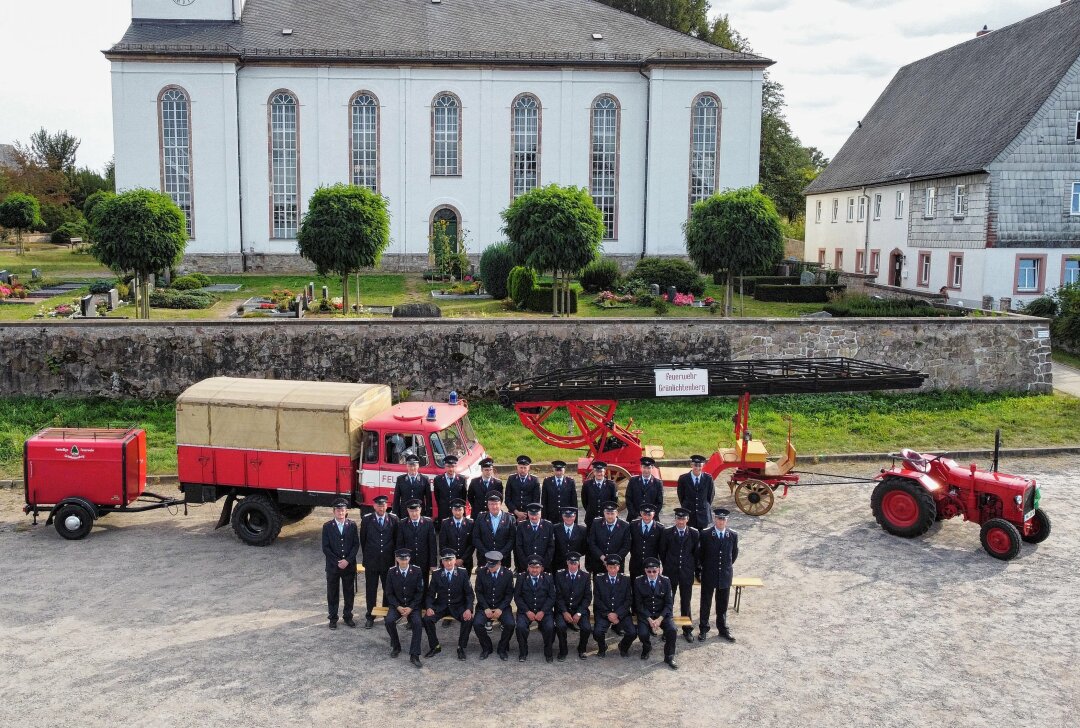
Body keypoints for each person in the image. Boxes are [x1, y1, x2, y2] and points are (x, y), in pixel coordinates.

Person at [422, 549, 476, 661]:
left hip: (458, 606)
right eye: (446, 560)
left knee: (468, 619)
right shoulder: (437, 574)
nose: (449, 563)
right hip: (441, 605)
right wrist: (429, 607)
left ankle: (461, 647)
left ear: (455, 560)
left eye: (451, 560)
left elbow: (469, 594)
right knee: (427, 619)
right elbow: (430, 594)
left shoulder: (462, 573)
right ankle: (435, 646)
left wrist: (468, 609)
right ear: (442, 562)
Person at [659, 507, 700, 643]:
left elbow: (695, 553)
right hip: (670, 572)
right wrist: (669, 565)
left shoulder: (694, 533)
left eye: (683, 519)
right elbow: (662, 552)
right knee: (668, 601)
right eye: (678, 518)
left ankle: (687, 629)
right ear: (675, 519)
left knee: (686, 601)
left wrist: (691, 568)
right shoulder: (667, 532)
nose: (680, 521)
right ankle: (667, 629)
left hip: (686, 573)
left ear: (687, 520)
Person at [698, 507, 739, 643]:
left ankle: (722, 628)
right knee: (706, 603)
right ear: (714, 519)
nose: (721, 521)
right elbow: (700, 555)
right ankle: (703, 628)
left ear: (726, 521)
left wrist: (725, 567)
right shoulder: (705, 534)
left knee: (722, 604)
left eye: (723, 519)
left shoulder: (732, 535)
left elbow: (733, 555)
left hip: (725, 574)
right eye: (718, 518)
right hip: (709, 573)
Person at [359, 494, 398, 629]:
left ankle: (387, 614)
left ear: (387, 506)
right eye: (379, 505)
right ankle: (370, 615)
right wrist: (368, 557)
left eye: (383, 505)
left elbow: (396, 540)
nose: (381, 508)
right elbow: (363, 541)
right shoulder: (367, 520)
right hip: (372, 562)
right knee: (371, 590)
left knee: (388, 590)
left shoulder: (393, 519)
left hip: (388, 562)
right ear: (374, 506)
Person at [632, 557, 678, 670]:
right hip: (646, 614)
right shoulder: (638, 581)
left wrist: (660, 619)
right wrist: (649, 619)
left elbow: (669, 603)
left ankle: (669, 656)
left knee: (672, 630)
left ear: (659, 570)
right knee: (642, 634)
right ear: (645, 571)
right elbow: (638, 604)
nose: (652, 574)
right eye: (649, 571)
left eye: (654, 571)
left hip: (662, 614)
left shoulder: (666, 581)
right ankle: (647, 647)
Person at [321, 498, 360, 629]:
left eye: (343, 510)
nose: (340, 512)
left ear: (346, 511)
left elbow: (356, 545)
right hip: (333, 566)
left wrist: (347, 560)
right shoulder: (327, 527)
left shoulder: (352, 525)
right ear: (334, 512)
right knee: (332, 593)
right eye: (338, 510)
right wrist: (337, 561)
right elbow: (325, 547)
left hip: (348, 566)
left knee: (349, 592)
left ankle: (348, 616)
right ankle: (333, 618)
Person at [472, 551, 516, 661]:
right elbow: (479, 592)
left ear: (499, 563)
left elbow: (509, 594)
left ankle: (502, 648)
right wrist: (486, 607)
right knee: (477, 624)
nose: (490, 568)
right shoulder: (482, 572)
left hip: (502, 607)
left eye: (493, 566)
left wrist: (500, 609)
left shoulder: (507, 574)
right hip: (484, 606)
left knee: (510, 624)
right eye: (489, 565)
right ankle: (487, 647)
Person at [591, 554, 637, 658]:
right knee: (597, 633)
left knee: (632, 632)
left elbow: (628, 600)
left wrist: (617, 614)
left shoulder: (625, 580)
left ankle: (623, 647)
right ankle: (602, 648)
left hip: (621, 612)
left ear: (619, 567)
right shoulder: (599, 579)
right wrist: (608, 614)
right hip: (604, 612)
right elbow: (597, 600)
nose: (612, 570)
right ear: (606, 567)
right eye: (610, 567)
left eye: (615, 567)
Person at [386, 548, 425, 667]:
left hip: (413, 606)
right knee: (389, 621)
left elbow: (420, 592)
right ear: (397, 559)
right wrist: (397, 606)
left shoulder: (417, 571)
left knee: (418, 623)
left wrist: (411, 608)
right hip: (397, 605)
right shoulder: (392, 572)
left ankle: (414, 655)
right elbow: (389, 593)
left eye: (406, 558)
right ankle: (396, 646)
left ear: (409, 559)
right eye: (401, 559)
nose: (404, 561)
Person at [514, 556, 556, 662]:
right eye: (532, 567)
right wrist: (527, 611)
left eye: (537, 567)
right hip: (526, 611)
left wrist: (543, 611)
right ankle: (523, 652)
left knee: (550, 627)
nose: (534, 570)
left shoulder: (548, 578)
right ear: (528, 568)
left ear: (541, 568)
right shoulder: (521, 578)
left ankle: (548, 653)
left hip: (543, 611)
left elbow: (552, 597)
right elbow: (517, 597)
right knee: (520, 627)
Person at [553, 551, 593, 660]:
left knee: (586, 628)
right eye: (571, 563)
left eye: (575, 563)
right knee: (560, 626)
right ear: (567, 563)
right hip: (563, 610)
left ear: (578, 564)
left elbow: (587, 597)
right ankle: (563, 650)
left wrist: (579, 613)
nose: (573, 566)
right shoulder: (559, 575)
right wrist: (564, 611)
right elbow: (558, 596)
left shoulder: (585, 576)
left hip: (579, 610)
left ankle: (582, 649)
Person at [395, 499, 438, 591]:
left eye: (416, 511)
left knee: (423, 587)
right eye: (411, 511)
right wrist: (400, 561)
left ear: (420, 510)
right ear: (407, 511)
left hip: (424, 562)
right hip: (408, 562)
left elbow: (432, 545)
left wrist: (433, 563)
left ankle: (423, 605)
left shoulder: (428, 523)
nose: (414, 514)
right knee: (409, 587)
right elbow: (400, 545)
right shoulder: (402, 523)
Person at [472, 492, 515, 570]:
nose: (494, 506)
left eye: (496, 504)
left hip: (503, 559)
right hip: (484, 558)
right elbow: (476, 538)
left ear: (501, 504)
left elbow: (512, 539)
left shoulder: (510, 518)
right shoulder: (481, 517)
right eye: (491, 504)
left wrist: (501, 554)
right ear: (487, 505)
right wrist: (486, 553)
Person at [586, 501, 630, 575]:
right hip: (599, 562)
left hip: (617, 564)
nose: (610, 516)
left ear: (617, 513)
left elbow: (626, 546)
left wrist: (615, 559)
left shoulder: (624, 526)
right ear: (604, 513)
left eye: (612, 513)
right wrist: (602, 557)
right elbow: (592, 542)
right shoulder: (596, 523)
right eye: (607, 513)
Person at [677, 455, 715, 531]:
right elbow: (681, 496)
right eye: (695, 465)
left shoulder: (708, 478)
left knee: (703, 538)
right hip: (689, 514)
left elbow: (710, 495)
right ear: (691, 465)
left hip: (703, 514)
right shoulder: (683, 479)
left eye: (700, 466)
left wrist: (703, 505)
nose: (697, 468)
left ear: (703, 465)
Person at [514, 502, 555, 572]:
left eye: (536, 514)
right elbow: (519, 547)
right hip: (526, 567)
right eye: (531, 514)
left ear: (540, 514)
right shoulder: (521, 526)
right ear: (528, 514)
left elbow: (551, 547)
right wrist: (526, 565)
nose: (533, 517)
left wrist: (543, 565)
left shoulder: (548, 526)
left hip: (543, 567)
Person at [628, 503, 663, 582]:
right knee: (634, 588)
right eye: (644, 514)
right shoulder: (633, 525)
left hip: (652, 566)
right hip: (635, 564)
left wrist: (660, 565)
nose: (646, 517)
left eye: (649, 515)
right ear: (640, 513)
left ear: (653, 514)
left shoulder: (660, 528)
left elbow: (662, 549)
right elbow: (629, 543)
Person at [438, 498, 475, 572]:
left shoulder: (470, 523)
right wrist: (452, 559)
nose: (457, 512)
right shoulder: (445, 523)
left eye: (460, 510)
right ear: (452, 510)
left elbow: (472, 544)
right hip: (449, 562)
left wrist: (462, 559)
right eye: (455, 510)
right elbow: (442, 544)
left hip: (466, 562)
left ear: (464, 510)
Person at [580, 460, 616, 535]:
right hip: (591, 518)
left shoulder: (611, 485)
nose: (599, 474)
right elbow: (584, 501)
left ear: (604, 472)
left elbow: (614, 501)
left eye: (601, 471)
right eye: (597, 471)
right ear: (593, 472)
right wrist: (590, 510)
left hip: (606, 518)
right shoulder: (587, 485)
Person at [432, 454, 467, 528]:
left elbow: (463, 496)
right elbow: (437, 496)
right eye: (448, 466)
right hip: (443, 511)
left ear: (455, 467)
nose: (450, 469)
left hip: (457, 511)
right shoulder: (438, 480)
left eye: (453, 466)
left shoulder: (462, 479)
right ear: (445, 466)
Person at [505, 455, 541, 522]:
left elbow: (536, 499)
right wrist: (516, 512)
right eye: (521, 468)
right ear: (517, 467)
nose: (523, 470)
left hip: (529, 515)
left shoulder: (534, 480)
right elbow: (507, 499)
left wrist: (525, 514)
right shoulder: (511, 479)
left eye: (525, 468)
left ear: (529, 467)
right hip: (513, 514)